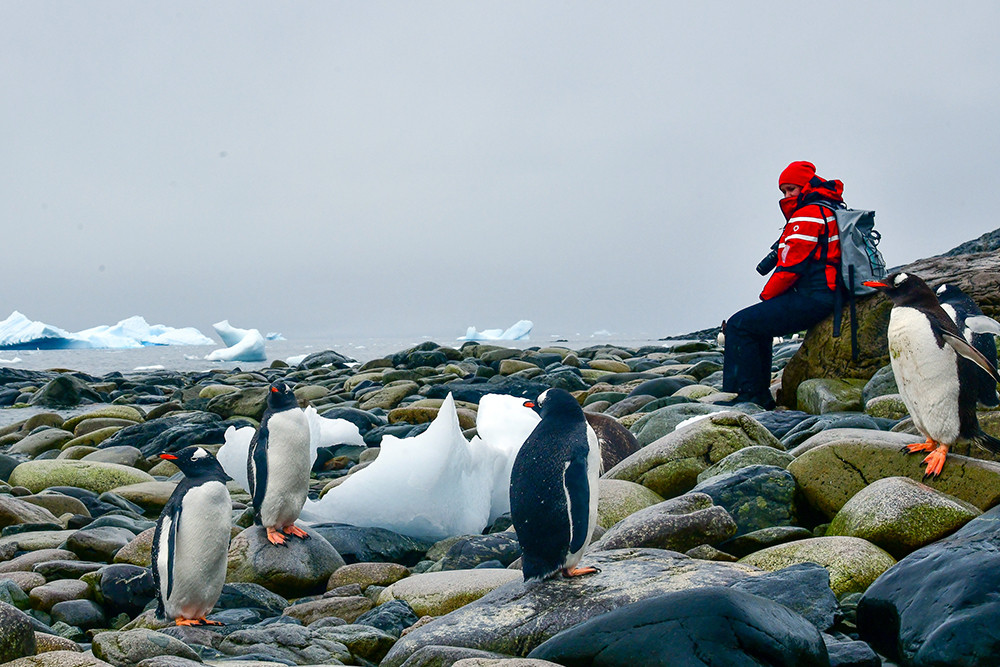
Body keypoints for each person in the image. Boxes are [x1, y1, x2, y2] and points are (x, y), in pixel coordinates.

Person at [721, 161, 845, 409]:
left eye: (792, 189)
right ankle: (758, 394)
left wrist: (767, 297)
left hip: (814, 296)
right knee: (759, 326)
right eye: (784, 191)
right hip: (829, 294)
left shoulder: (809, 213)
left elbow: (791, 266)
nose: (787, 196)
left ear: (806, 186)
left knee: (739, 325)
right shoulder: (829, 207)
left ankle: (751, 395)